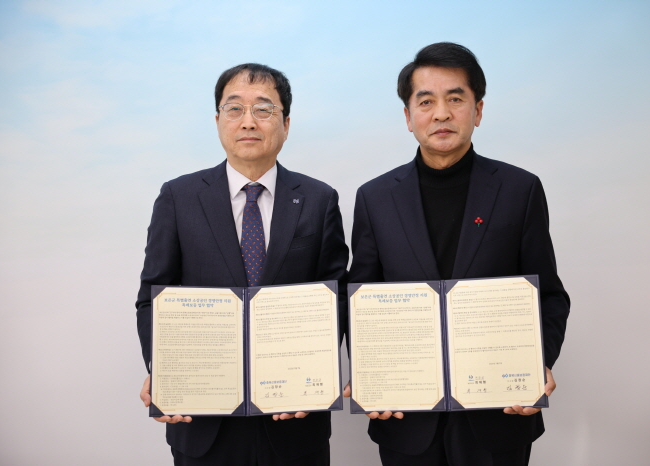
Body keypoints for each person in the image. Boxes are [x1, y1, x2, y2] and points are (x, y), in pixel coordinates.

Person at [347, 42, 570, 465]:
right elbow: (360, 300)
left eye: (455, 99)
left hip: (499, 414)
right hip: (406, 417)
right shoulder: (375, 198)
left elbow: (550, 296)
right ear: (408, 116)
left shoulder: (519, 190)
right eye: (425, 102)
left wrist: (535, 364)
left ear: (478, 110)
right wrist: (369, 373)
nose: (441, 114)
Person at [136, 63, 349, 466]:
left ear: (286, 123)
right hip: (202, 421)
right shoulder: (179, 197)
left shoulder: (319, 200)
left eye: (264, 110)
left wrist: (313, 371)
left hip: (294, 420)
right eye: (234, 109)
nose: (248, 121)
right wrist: (163, 368)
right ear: (218, 120)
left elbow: (335, 297)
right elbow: (152, 296)